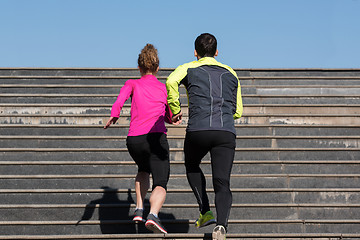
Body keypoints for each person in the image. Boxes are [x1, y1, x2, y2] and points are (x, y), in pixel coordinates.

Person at [166, 33, 243, 240]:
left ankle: (205, 210)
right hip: (225, 131)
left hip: (198, 130)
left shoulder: (188, 67)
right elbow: (238, 111)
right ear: (217, 52)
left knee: (191, 165)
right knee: (222, 182)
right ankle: (221, 226)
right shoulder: (232, 73)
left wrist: (175, 108)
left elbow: (171, 81)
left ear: (195, 52)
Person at [104, 43, 177, 234]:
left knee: (143, 169)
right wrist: (174, 118)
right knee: (160, 181)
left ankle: (138, 208)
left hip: (134, 140)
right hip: (156, 139)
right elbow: (168, 114)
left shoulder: (132, 83)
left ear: (139, 67)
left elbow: (120, 99)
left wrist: (115, 114)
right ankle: (153, 215)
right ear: (158, 68)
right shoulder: (163, 88)